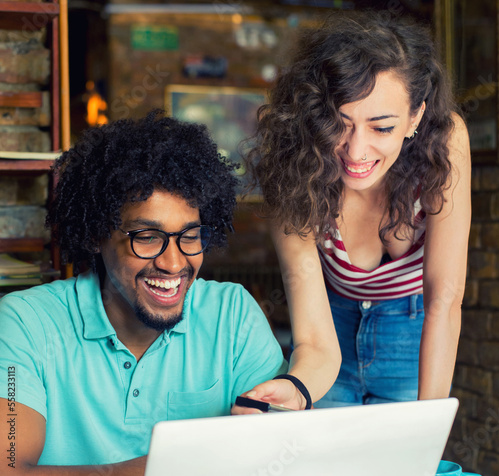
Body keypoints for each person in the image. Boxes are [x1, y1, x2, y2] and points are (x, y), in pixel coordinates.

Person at [0, 111, 288, 474]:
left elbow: (279, 456)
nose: (173, 263)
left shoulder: (233, 317)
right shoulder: (26, 323)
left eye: (189, 236)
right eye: (147, 238)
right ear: (95, 234)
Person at [243, 11, 471, 407]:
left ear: (415, 115)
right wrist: (296, 390)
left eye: (381, 127)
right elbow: (314, 339)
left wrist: (428, 422)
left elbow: (444, 298)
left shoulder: (446, 143)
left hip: (415, 325)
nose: (355, 151)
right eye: (339, 122)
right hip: (331, 323)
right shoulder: (292, 160)